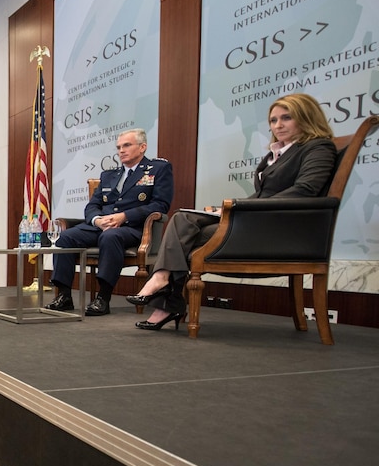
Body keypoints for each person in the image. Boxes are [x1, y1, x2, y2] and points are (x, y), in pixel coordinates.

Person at [126, 93, 337, 330]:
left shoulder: (319, 147)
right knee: (182, 219)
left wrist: (242, 209)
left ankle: (164, 293)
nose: (278, 125)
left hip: (279, 232)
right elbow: (262, 195)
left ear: (306, 117)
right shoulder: (276, 154)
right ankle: (163, 285)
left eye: (286, 118)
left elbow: (305, 191)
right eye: (273, 120)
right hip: (258, 222)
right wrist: (230, 207)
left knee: (183, 236)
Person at [47, 129, 174, 316]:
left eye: (127, 145)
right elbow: (92, 206)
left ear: (142, 147)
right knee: (65, 238)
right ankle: (64, 296)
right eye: (119, 147)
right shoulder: (109, 175)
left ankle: (103, 298)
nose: (121, 150)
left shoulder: (158, 169)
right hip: (101, 226)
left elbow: (160, 205)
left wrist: (124, 216)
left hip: (131, 228)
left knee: (110, 236)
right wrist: (98, 220)